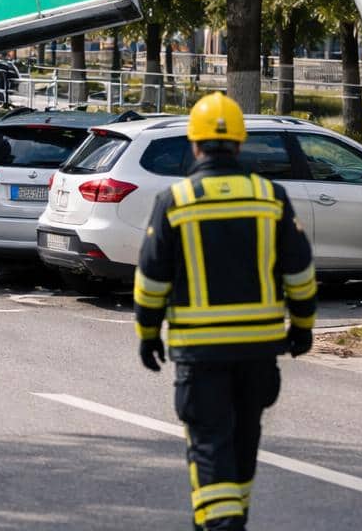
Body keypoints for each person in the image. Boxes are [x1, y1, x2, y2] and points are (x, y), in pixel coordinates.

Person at [134, 92, 316, 530]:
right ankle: (231, 520)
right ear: (240, 143)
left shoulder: (176, 200)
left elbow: (152, 278)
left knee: (210, 445)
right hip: (258, 351)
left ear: (195, 145)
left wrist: (147, 332)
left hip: (201, 355)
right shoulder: (269, 197)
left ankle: (221, 526)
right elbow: (300, 270)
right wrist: (303, 326)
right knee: (242, 444)